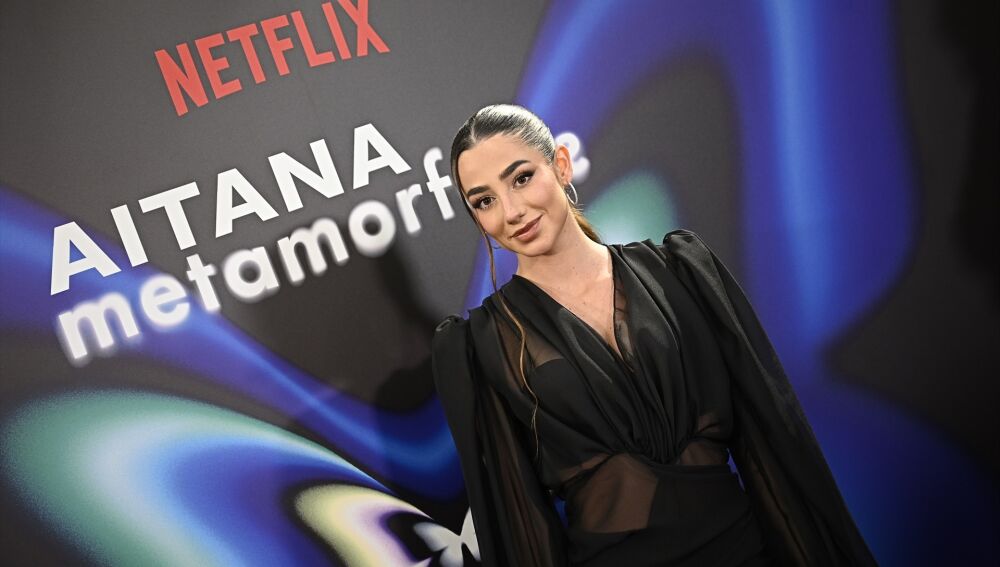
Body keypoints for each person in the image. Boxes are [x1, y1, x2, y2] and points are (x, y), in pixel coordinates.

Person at [430, 104, 877, 567]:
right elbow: (519, 523)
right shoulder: (483, 344)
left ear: (561, 165)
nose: (512, 211)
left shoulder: (679, 273)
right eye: (484, 201)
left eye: (521, 178)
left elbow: (770, 439)